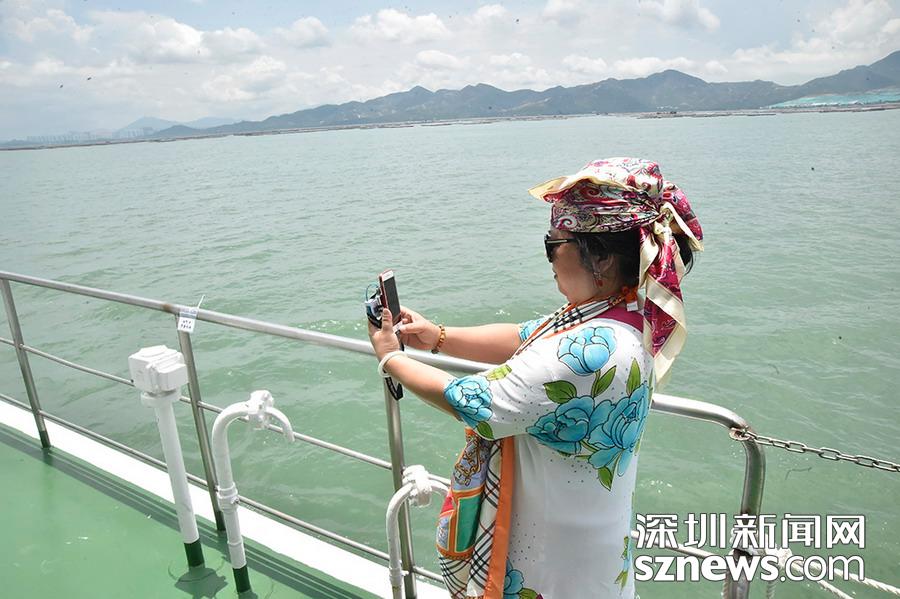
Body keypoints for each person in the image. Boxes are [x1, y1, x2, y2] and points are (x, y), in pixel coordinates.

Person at [368, 157, 703, 599]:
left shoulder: (589, 354)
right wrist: (438, 336)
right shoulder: (628, 314)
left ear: (601, 257)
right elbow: (524, 336)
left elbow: (474, 400)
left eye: (553, 243)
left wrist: (390, 357)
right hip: (594, 540)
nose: (549, 257)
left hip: (549, 562)